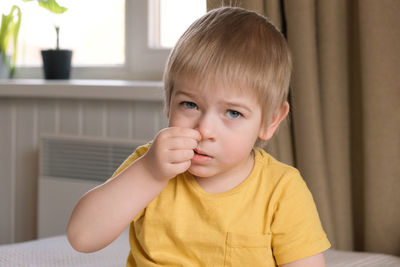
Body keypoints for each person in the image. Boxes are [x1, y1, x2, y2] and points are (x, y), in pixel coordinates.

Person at [67, 7, 331, 267]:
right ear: (169, 102)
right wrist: (149, 173)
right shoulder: (150, 166)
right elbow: (82, 237)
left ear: (271, 120)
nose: (204, 129)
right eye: (190, 105)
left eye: (233, 113)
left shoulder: (281, 189)